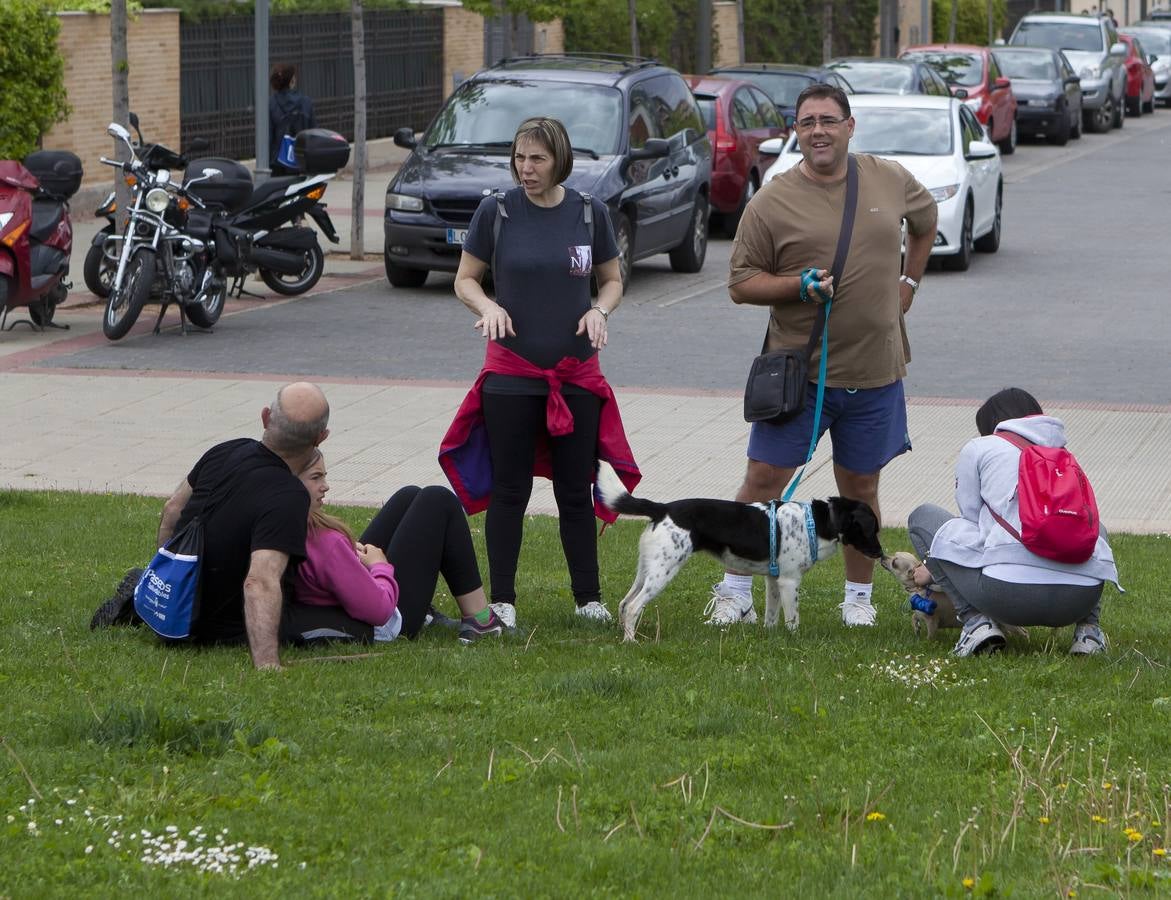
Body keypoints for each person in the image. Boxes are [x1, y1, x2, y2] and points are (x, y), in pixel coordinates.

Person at [705, 83, 938, 629]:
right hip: (801, 375)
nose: (818, 131)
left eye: (828, 120)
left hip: (876, 372)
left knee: (860, 492)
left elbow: (925, 225)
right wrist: (797, 287)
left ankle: (858, 600)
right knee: (762, 481)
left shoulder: (889, 177)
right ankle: (734, 590)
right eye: (807, 122)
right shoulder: (773, 199)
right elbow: (740, 283)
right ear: (797, 130)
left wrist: (909, 280)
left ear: (850, 126)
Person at [440, 115, 640, 630]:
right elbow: (465, 279)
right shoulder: (496, 211)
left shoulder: (589, 214)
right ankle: (502, 599)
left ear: (559, 161)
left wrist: (600, 310)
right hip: (510, 374)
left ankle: (588, 598)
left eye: (537, 159)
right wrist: (485, 306)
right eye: (519, 157)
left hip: (576, 377)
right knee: (510, 489)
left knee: (575, 489)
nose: (525, 169)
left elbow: (613, 280)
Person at [90, 382, 329, 669]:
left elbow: (172, 510)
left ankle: (150, 593)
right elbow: (260, 581)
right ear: (320, 438)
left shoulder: (227, 450)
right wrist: (268, 664)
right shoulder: (289, 495)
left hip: (183, 605)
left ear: (265, 417)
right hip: (225, 629)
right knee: (356, 624)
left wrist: (169, 586)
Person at [907, 388, 1121, 657]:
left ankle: (976, 625)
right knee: (1094, 529)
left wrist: (934, 563)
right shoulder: (1064, 456)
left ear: (991, 425)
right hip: (1078, 600)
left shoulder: (980, 446)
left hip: (1007, 596)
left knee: (923, 516)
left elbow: (969, 519)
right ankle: (1089, 632)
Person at [289, 451, 505, 644]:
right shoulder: (326, 542)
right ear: (290, 484)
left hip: (340, 602)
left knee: (409, 495)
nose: (325, 485)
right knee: (439, 500)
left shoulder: (290, 523)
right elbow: (380, 611)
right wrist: (379, 566)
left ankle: (426, 615)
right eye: (316, 478)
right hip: (386, 621)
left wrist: (348, 554)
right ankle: (481, 622)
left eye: (324, 476)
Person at [268, 63, 315, 176]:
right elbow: (313, 134)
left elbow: (268, 138)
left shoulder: (270, 104)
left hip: (277, 163)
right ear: (292, 80)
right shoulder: (306, 102)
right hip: (302, 162)